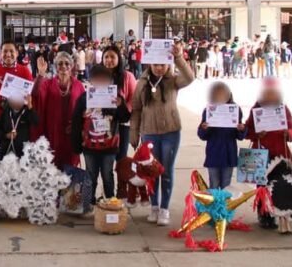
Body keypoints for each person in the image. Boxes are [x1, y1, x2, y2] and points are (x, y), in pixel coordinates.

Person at [129, 41, 194, 226]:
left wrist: (179, 57)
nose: (159, 68)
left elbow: (190, 78)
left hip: (170, 132)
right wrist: (134, 133)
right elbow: (136, 110)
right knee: (151, 172)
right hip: (149, 133)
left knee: (166, 171)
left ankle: (164, 209)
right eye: (155, 64)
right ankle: (154, 207)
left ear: (168, 64)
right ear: (149, 63)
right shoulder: (141, 83)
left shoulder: (173, 80)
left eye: (163, 64)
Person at [244, 77, 292, 229]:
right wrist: (256, 135)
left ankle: (279, 214)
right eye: (267, 93)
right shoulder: (256, 110)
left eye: (272, 93)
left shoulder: (283, 109)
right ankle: (264, 214)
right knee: (262, 186)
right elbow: (248, 131)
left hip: (280, 154)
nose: (270, 96)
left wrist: (289, 133)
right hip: (261, 154)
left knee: (280, 185)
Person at [71, 65, 127, 201]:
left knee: (108, 175)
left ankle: (110, 202)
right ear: (90, 81)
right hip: (89, 146)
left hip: (110, 146)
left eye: (104, 80)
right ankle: (89, 203)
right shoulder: (84, 98)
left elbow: (125, 118)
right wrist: (76, 144)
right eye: (97, 80)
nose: (100, 83)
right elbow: (76, 121)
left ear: (110, 81)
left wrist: (120, 105)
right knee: (90, 174)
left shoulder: (116, 98)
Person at [32, 52, 85, 169]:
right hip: (53, 133)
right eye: (60, 63)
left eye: (67, 63)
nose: (64, 66)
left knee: (71, 169)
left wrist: (79, 126)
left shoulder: (79, 85)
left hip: (72, 134)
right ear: (56, 67)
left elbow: (84, 110)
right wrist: (40, 74)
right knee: (54, 166)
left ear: (71, 66)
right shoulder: (48, 84)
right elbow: (35, 94)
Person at [197, 82, 246, 189]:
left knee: (226, 184)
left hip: (229, 154)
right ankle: (215, 206)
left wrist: (241, 129)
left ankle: (224, 206)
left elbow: (240, 136)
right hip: (213, 154)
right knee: (214, 184)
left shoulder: (235, 110)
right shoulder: (208, 110)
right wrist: (204, 128)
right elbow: (201, 135)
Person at [0, 42, 33, 136]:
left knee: (21, 147)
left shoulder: (25, 71)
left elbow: (30, 93)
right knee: (1, 147)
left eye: (11, 51)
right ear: (0, 53)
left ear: (17, 53)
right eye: (5, 51)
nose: (8, 54)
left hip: (20, 117)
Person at [102, 46, 136, 160]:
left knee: (121, 160)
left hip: (122, 125)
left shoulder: (128, 76)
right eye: (106, 57)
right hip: (103, 125)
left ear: (119, 59)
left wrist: (123, 105)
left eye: (112, 57)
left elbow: (134, 99)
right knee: (106, 162)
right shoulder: (98, 76)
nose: (109, 60)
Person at [0, 95, 38, 160]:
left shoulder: (27, 111)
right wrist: (6, 135)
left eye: (19, 101)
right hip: (6, 151)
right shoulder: (5, 112)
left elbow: (36, 122)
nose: (16, 103)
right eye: (13, 101)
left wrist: (30, 106)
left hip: (22, 152)